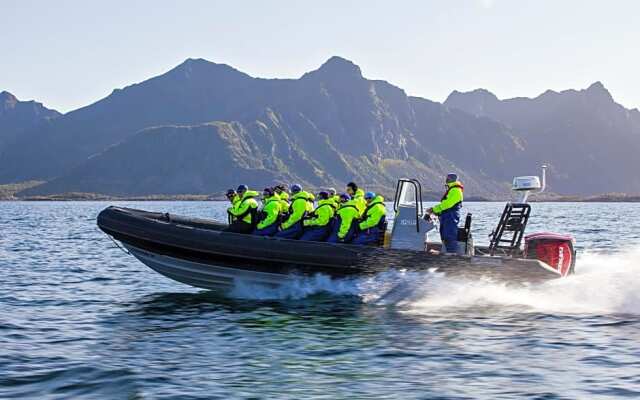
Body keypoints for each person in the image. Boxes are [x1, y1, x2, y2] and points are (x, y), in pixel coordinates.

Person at [426, 173, 464, 253]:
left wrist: (434, 209)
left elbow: (447, 204)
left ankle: (452, 258)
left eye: (447, 178)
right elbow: (445, 205)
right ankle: (447, 254)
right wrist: (437, 212)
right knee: (445, 237)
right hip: (447, 217)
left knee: (449, 237)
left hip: (451, 217)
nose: (446, 180)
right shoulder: (452, 189)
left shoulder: (456, 190)